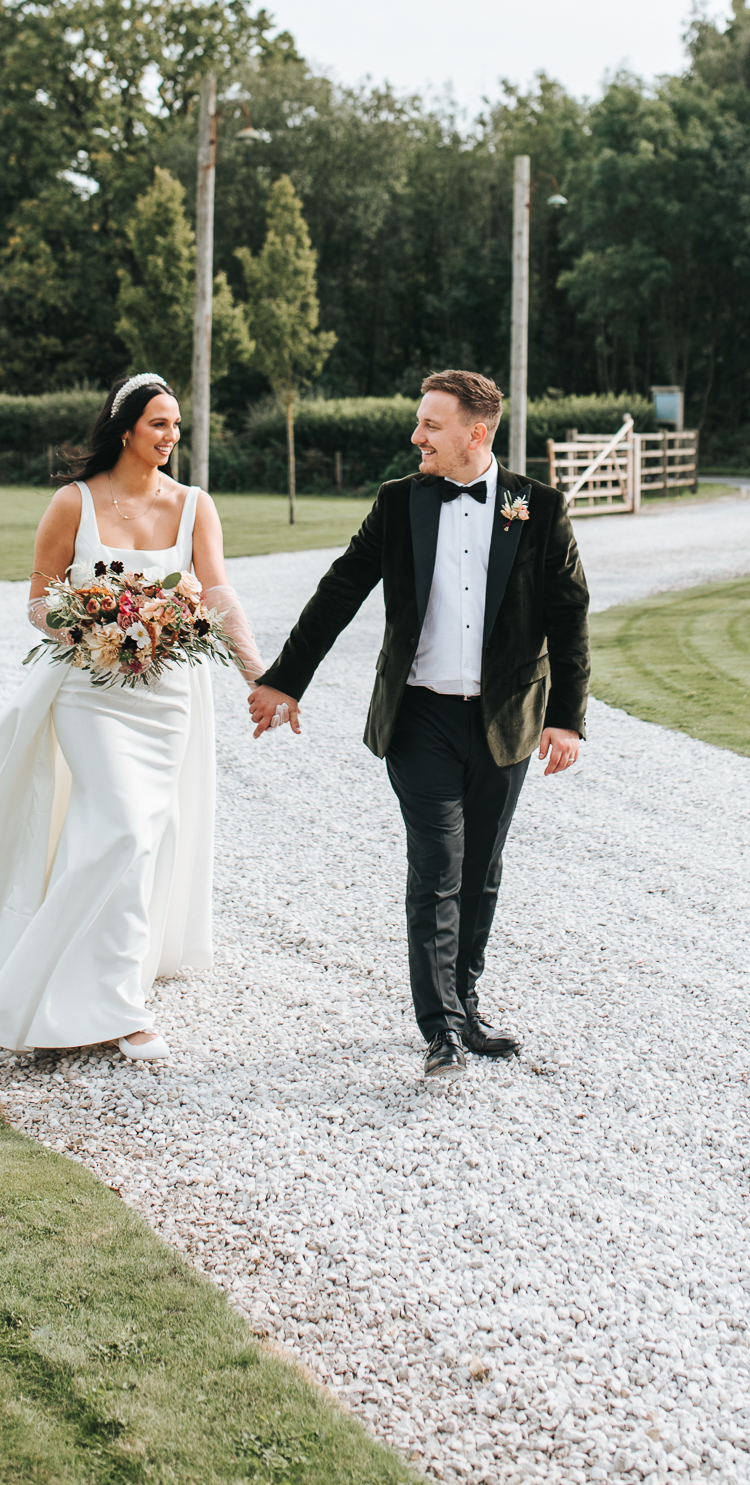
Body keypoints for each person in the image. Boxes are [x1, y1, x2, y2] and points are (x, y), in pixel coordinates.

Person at [0, 373, 266, 1061]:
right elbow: (37, 602)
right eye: (159, 424)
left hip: (168, 699)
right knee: (119, 830)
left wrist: (259, 677)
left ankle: (79, 988)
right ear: (125, 430)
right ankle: (111, 1008)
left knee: (137, 840)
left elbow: (219, 594)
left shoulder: (194, 505)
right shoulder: (73, 503)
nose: (171, 437)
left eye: (176, 426)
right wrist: (95, 626)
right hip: (90, 693)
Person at [248, 368, 589, 1081]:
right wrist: (284, 679)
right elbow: (340, 589)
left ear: (477, 432)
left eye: (430, 425)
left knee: (482, 872)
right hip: (419, 717)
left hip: (505, 720)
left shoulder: (540, 508)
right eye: (418, 423)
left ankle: (466, 1003)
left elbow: (569, 618)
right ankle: (438, 1029)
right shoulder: (399, 503)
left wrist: (567, 720)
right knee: (437, 866)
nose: (416, 436)